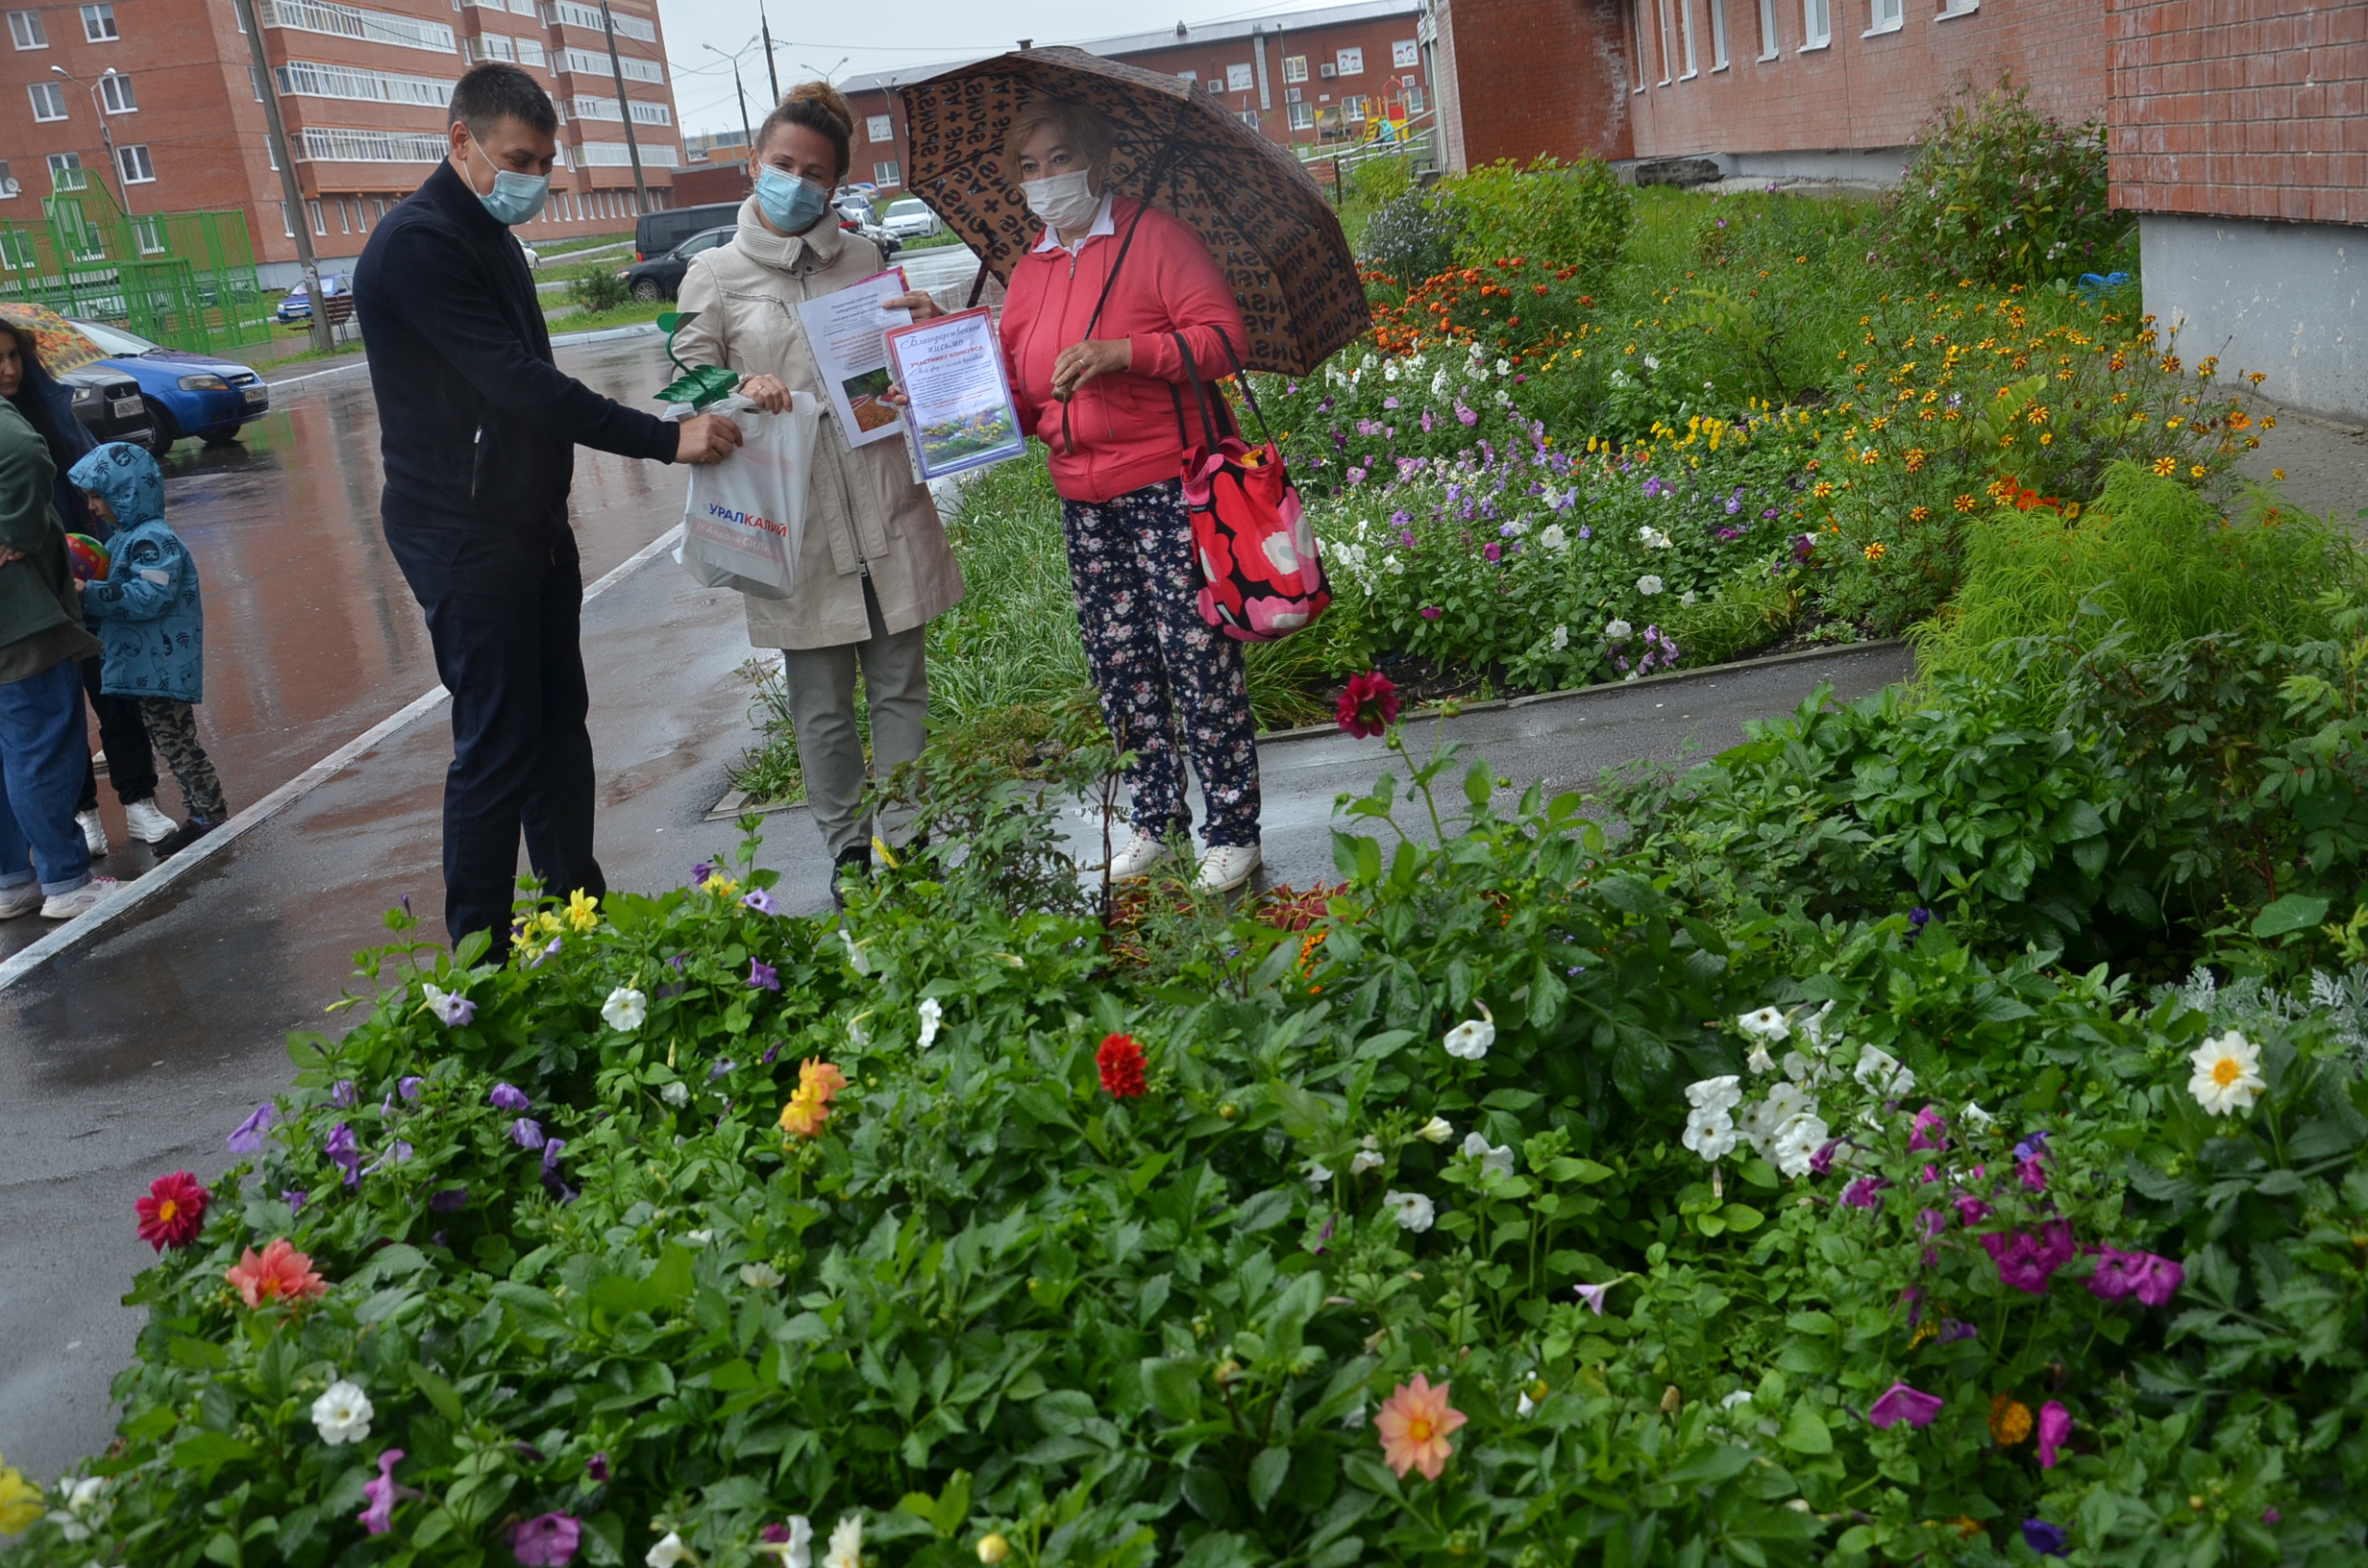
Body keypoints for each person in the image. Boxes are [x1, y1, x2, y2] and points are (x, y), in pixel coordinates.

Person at [353, 61, 743, 956]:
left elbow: (528, 385)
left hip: (528, 524)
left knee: (556, 727)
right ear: (461, 142)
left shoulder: (487, 235)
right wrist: (664, 439)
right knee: (496, 744)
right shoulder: (420, 243)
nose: (533, 177)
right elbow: (520, 384)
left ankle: (579, 918)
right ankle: (481, 968)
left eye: (543, 160)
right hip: (460, 530)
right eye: (518, 158)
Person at [900, 98, 1263, 892]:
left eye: (1059, 158)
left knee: (1197, 657)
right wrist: (940, 350)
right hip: (1083, 497)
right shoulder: (1029, 270)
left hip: (1170, 484)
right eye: (1028, 168)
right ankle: (1157, 821)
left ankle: (1233, 828)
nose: (1044, 180)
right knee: (1121, 663)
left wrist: (1125, 352)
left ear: (1096, 159)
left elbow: (1224, 339)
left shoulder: (1154, 238)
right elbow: (1017, 398)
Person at [672, 83, 966, 900]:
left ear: (836, 186)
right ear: (753, 166)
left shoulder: (867, 259)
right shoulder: (715, 274)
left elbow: (894, 372)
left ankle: (909, 844)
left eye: (816, 173)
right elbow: (686, 386)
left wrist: (925, 338)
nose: (797, 182)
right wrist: (737, 389)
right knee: (822, 700)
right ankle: (847, 853)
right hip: (791, 512)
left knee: (902, 682)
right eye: (783, 164)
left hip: (880, 493)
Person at [0, 316, 170, 858]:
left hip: (91, 568)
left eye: (13, 356)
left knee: (113, 689)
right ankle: (83, 815)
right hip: (34, 588)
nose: (7, 370)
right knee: (57, 711)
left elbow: (103, 477)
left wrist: (113, 543)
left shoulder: (51, 407)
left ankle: (140, 801)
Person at [69, 443, 227, 859]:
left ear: (125, 492)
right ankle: (202, 812)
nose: (92, 506)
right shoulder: (128, 537)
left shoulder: (154, 539)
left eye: (97, 495)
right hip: (147, 665)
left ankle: (210, 814)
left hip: (162, 665)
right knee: (170, 741)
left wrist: (91, 594)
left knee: (178, 743)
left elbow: (148, 597)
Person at [0, 394, 112, 919]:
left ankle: (12, 880)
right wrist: (19, 531)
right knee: (40, 747)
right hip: (20, 617)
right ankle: (66, 879)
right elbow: (23, 452)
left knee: (7, 755)